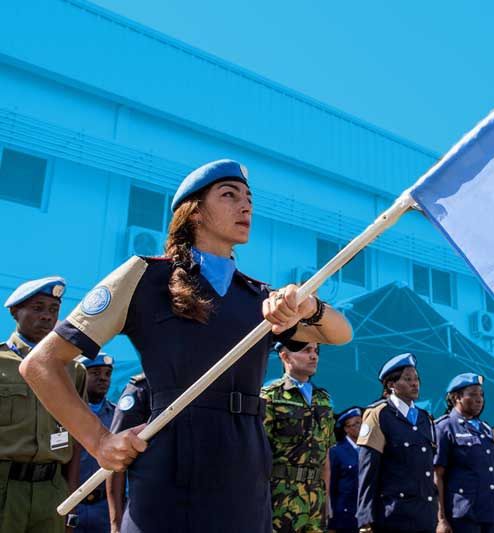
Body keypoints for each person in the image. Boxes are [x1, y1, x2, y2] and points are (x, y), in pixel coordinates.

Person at [19, 159, 353, 532]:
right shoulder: (145, 277)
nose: (246, 206)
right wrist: (98, 441)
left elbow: (341, 333)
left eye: (248, 198)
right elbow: (41, 363)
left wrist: (309, 306)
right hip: (170, 474)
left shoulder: (259, 298)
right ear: (194, 212)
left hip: (245, 476)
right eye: (229, 195)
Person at [0, 277, 86, 533]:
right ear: (15, 312)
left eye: (53, 310)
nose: (47, 316)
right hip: (5, 488)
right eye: (37, 308)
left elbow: (77, 439)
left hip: (52, 491)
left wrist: (71, 498)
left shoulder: (73, 370)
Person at [356, 353, 437, 533]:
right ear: (391, 385)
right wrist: (365, 519)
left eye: (416, 379)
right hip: (393, 515)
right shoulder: (379, 414)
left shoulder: (425, 418)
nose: (415, 383)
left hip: (425, 515)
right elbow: (368, 470)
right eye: (408, 379)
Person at [261, 340, 336, 533]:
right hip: (280, 497)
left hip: (315, 498)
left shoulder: (323, 399)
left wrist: (326, 500)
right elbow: (258, 454)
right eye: (306, 350)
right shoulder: (270, 397)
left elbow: (325, 457)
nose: (314, 356)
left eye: (316, 350)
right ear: (284, 356)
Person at [433, 373, 494, 533]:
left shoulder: (485, 429)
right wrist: (441, 519)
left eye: (481, 395)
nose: (479, 400)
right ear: (457, 398)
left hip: (488, 515)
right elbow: (437, 475)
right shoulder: (445, 427)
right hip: (462, 515)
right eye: (473, 394)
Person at [74, 354, 115, 533]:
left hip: (105, 508)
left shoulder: (118, 415)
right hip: (72, 504)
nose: (103, 378)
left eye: (107, 374)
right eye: (95, 373)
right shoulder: (65, 414)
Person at [106, 373, 150, 533]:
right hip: (149, 508)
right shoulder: (142, 389)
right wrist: (116, 523)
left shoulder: (213, 383)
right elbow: (116, 458)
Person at [327, 407, 362, 533]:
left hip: (366, 515)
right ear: (346, 429)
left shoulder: (369, 449)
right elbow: (330, 486)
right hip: (345, 516)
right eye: (356, 424)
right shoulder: (336, 452)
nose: (360, 427)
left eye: (361, 423)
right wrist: (331, 520)